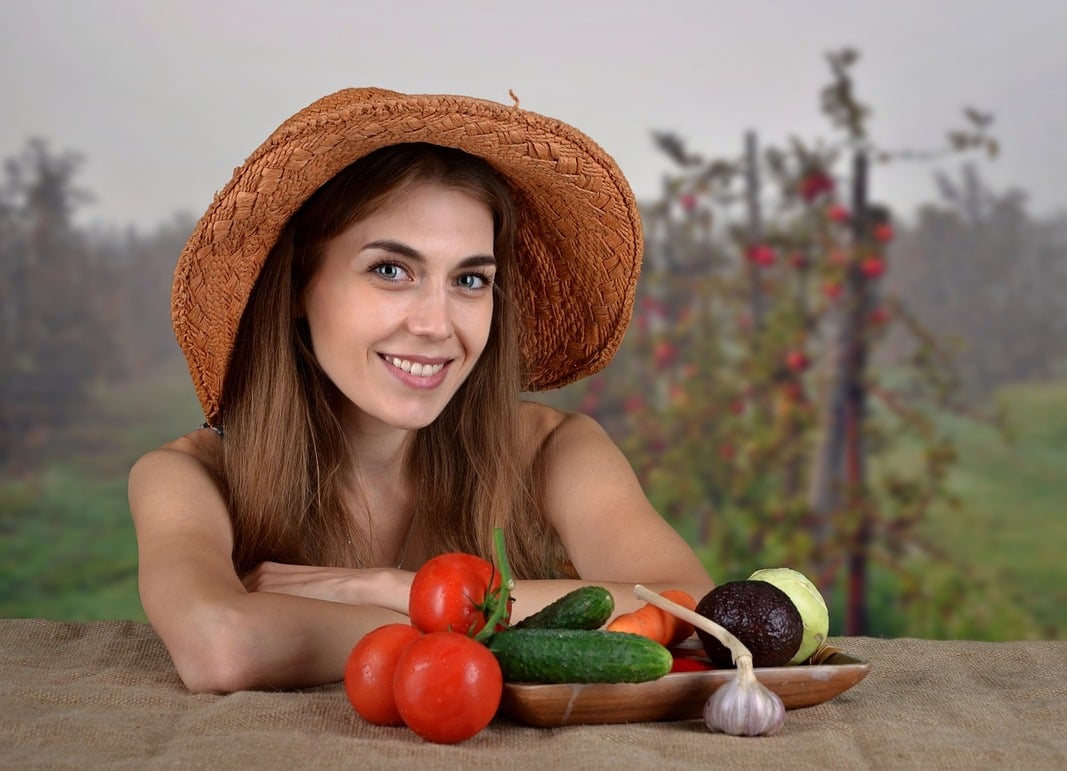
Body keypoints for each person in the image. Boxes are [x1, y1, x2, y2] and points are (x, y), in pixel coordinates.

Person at [128, 87, 713, 693]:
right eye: (390, 270)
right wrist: (488, 623)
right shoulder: (189, 477)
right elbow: (224, 645)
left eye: (469, 279)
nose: (436, 324)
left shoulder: (555, 448)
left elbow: (691, 605)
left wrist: (395, 590)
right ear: (302, 284)